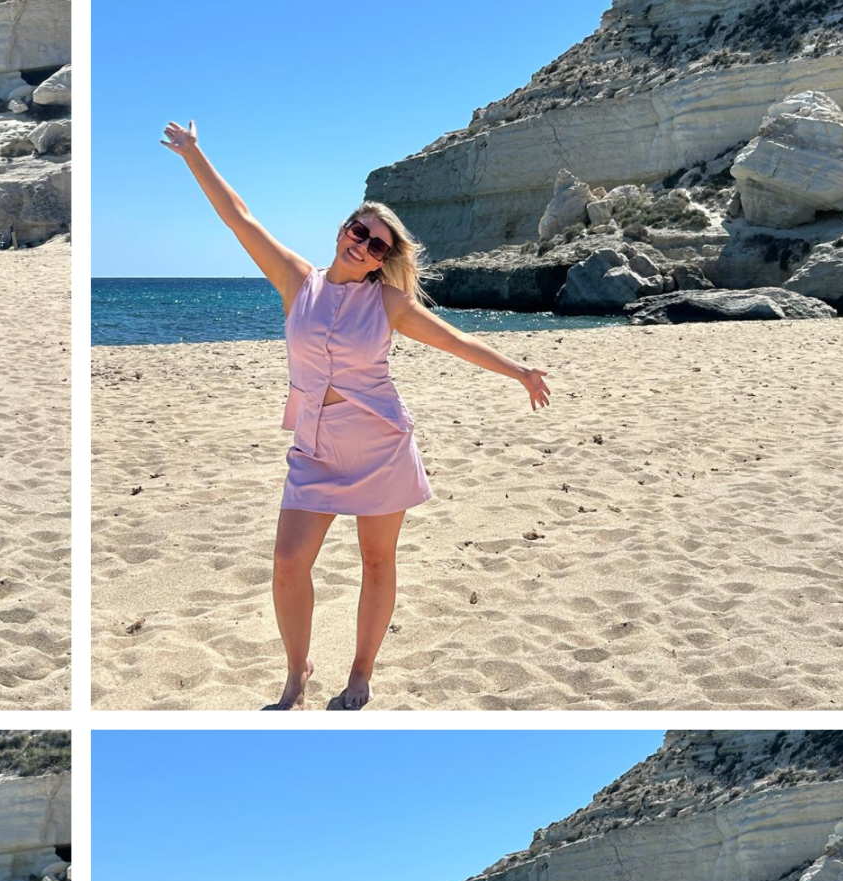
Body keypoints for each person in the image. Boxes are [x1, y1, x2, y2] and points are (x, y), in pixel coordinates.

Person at [162, 120, 553, 710]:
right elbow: (238, 218)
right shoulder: (297, 280)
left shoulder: (389, 303)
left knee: (377, 560)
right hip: (315, 445)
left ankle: (361, 673)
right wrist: (195, 155)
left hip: (379, 444)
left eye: (377, 246)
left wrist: (518, 371)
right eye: (358, 231)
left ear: (382, 261)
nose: (363, 245)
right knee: (289, 561)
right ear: (342, 228)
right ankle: (297, 674)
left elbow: (456, 342)